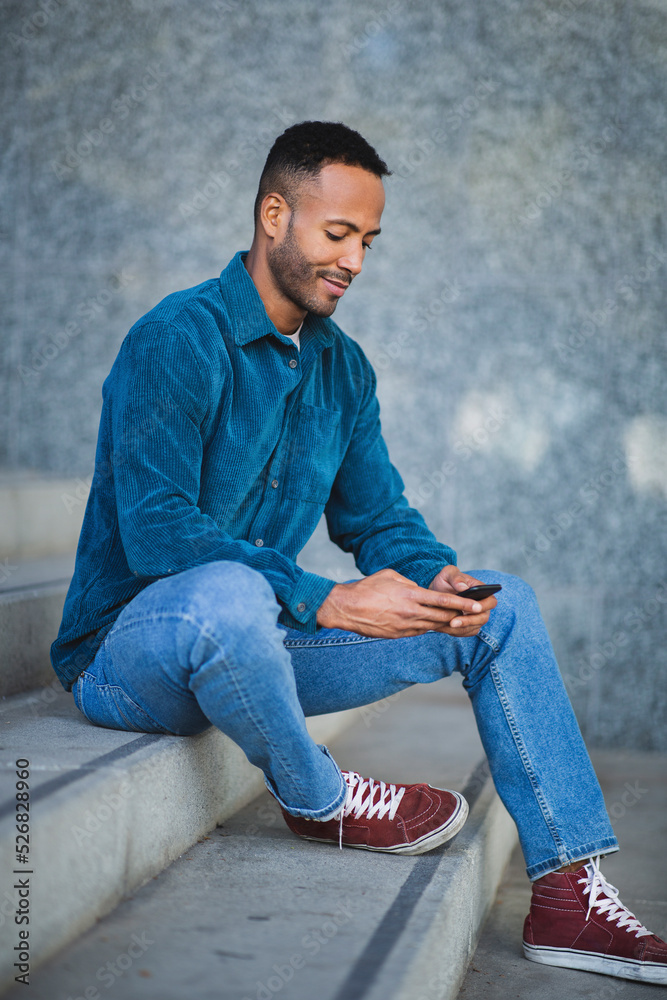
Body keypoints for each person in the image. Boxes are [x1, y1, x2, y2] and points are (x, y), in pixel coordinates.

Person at [51, 120, 666, 986]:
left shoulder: (344, 371)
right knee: (227, 588)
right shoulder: (176, 339)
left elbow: (379, 521)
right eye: (337, 233)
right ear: (274, 215)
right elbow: (158, 532)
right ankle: (320, 798)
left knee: (503, 603)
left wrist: (436, 576)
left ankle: (568, 892)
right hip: (133, 653)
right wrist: (327, 599)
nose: (355, 261)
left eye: (368, 241)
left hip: (257, 649)